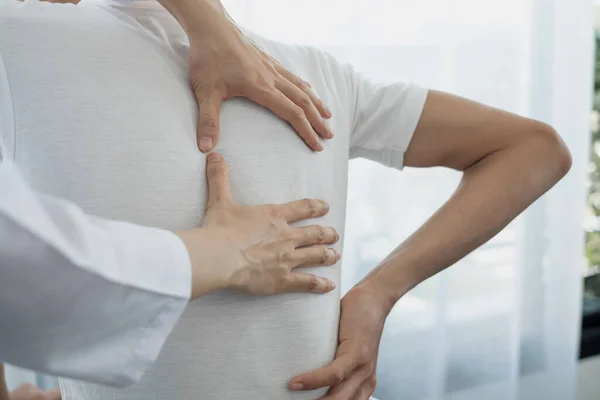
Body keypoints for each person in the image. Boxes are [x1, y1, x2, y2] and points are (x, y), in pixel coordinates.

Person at [0, 1, 572, 400]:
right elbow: (535, 149)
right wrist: (381, 290)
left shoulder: (307, 75)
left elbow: (535, 148)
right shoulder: (308, 75)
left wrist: (375, 295)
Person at [0, 0, 340, 393]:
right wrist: (229, 252)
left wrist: (377, 296)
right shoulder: (19, 39)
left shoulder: (308, 67)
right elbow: (29, 274)